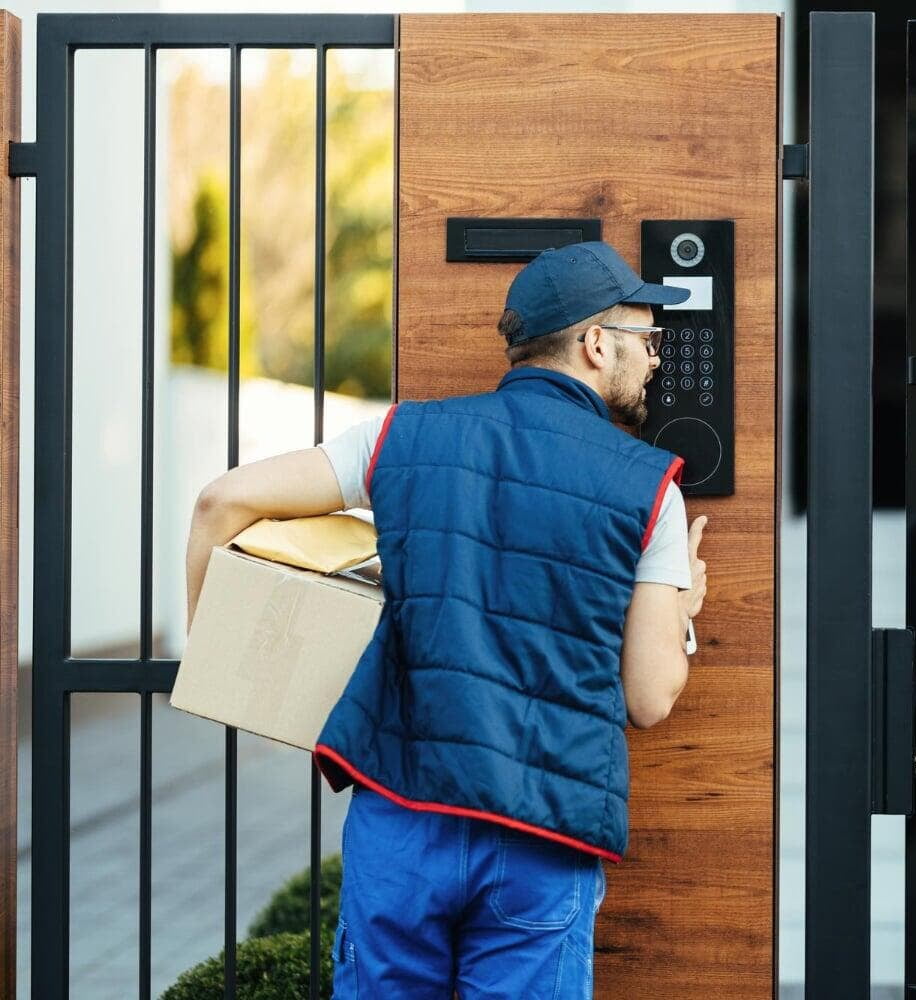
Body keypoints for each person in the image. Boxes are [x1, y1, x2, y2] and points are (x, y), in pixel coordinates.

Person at [185, 240, 709, 998]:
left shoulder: (399, 437)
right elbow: (649, 696)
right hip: (544, 833)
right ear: (598, 343)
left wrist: (214, 670)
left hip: (403, 815)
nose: (658, 359)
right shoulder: (651, 489)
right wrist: (682, 607)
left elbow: (218, 503)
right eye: (649, 339)